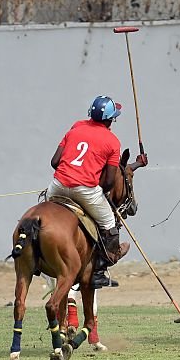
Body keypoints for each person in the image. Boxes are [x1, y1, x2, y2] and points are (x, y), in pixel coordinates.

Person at [47, 96, 134, 276]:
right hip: (85, 190)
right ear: (111, 119)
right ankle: (103, 265)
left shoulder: (75, 128)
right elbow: (109, 182)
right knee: (109, 222)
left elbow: (55, 162)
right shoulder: (113, 141)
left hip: (57, 186)